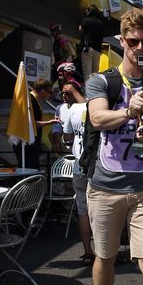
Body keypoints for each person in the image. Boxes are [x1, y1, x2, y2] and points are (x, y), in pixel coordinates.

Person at [86, 8, 143, 285]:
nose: (140, 48)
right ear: (122, 41)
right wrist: (127, 112)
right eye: (134, 42)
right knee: (105, 258)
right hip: (106, 187)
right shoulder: (103, 81)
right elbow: (97, 119)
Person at [61, 78, 95, 266]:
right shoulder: (99, 107)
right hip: (96, 165)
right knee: (100, 211)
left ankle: (88, 252)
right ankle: (104, 253)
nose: (64, 97)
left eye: (66, 93)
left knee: (83, 210)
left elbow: (67, 136)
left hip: (79, 165)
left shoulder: (72, 110)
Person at [12, 78, 59, 169]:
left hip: (31, 142)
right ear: (42, 91)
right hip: (27, 144)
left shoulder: (33, 100)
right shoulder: (30, 101)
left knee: (32, 169)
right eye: (49, 92)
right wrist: (49, 122)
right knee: (30, 169)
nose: (50, 95)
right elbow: (30, 123)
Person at [79, 4, 105, 80]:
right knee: (95, 73)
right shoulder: (101, 23)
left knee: (87, 73)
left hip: (88, 48)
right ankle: (94, 89)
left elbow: (80, 30)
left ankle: (87, 90)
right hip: (98, 50)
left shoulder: (85, 20)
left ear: (89, 12)